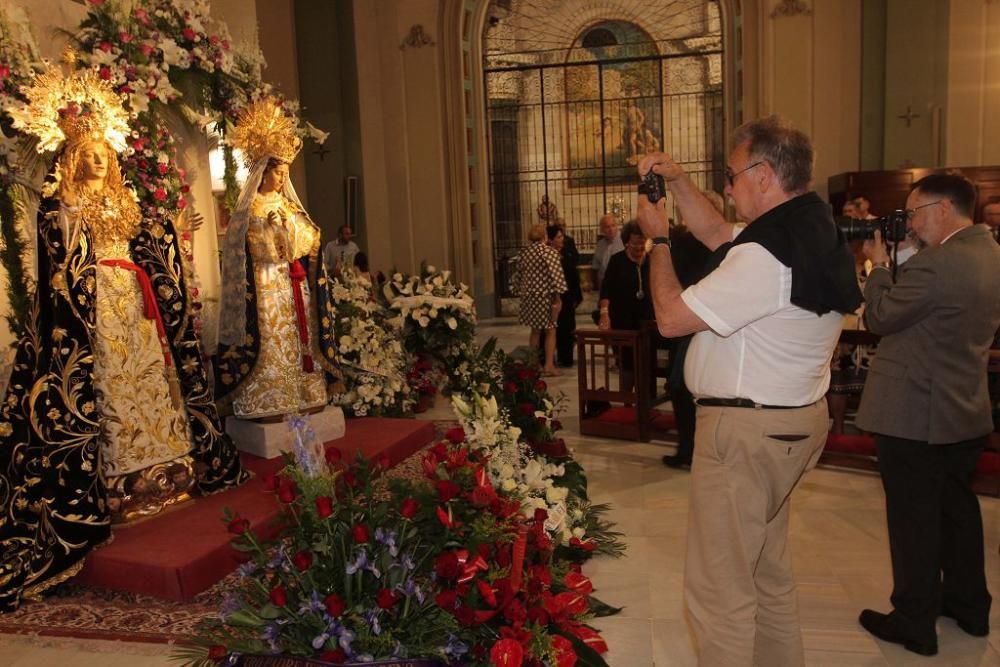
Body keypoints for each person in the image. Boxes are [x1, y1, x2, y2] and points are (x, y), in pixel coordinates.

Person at [0, 60, 247, 611]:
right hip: (95, 307)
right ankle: (117, 477)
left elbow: (145, 241)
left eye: (101, 152)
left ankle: (166, 469)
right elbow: (55, 259)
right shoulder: (62, 204)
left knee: (150, 383)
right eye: (86, 151)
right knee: (111, 383)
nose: (95, 158)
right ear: (71, 158)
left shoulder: (122, 199)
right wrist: (61, 226)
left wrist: (177, 230)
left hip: (133, 300)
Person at [635, 115, 862, 665]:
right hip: (787, 423)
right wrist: (680, 181)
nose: (728, 187)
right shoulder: (810, 227)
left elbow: (668, 318)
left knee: (720, 595)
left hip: (746, 433)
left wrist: (658, 238)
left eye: (732, 175)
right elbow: (717, 235)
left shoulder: (767, 254)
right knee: (765, 574)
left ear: (763, 175)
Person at [854, 174, 1000, 657]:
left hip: (915, 412)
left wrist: (876, 266)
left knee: (913, 518)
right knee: (957, 510)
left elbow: (881, 316)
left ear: (941, 209)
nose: (911, 224)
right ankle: (969, 605)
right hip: (963, 407)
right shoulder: (990, 253)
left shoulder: (940, 264)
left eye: (914, 213)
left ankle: (914, 620)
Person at [215, 97, 336, 421]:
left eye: (285, 173)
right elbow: (239, 249)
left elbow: (308, 242)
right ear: (262, 171)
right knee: (271, 341)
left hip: (291, 282)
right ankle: (267, 401)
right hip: (265, 285)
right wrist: (270, 234)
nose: (282, 179)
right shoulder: (248, 210)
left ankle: (305, 394)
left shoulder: (289, 206)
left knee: (300, 341)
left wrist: (288, 231)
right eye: (277, 173)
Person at [597, 221, 653, 392]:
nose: (639, 247)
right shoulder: (617, 261)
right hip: (622, 320)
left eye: (642, 242)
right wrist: (604, 314)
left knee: (646, 363)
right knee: (627, 363)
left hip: (646, 319)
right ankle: (627, 400)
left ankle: (646, 403)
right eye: (635, 242)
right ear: (627, 242)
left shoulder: (651, 260)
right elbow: (605, 290)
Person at [514, 223, 567, 375]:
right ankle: (549, 365)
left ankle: (534, 365)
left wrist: (519, 290)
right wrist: (558, 298)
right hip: (545, 296)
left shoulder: (524, 253)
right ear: (544, 236)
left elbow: (518, 275)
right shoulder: (548, 252)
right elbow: (556, 276)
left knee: (535, 331)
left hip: (529, 296)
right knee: (551, 330)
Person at [551, 219, 582, 366]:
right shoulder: (548, 256)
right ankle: (549, 358)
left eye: (562, 236)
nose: (562, 239)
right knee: (553, 329)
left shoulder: (568, 248)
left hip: (568, 296)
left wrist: (577, 295)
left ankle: (566, 357)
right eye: (558, 237)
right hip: (553, 298)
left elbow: (573, 272)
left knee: (568, 327)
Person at [591, 213, 624, 291]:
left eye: (613, 225)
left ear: (617, 226)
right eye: (607, 227)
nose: (611, 229)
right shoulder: (600, 245)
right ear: (602, 229)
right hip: (604, 287)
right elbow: (596, 267)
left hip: (621, 286)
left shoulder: (625, 240)